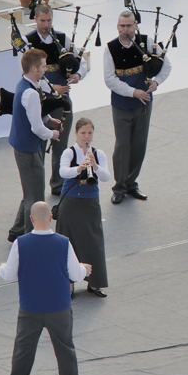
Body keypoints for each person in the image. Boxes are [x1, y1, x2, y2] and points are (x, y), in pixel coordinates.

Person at [0, 201, 90, 375]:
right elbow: (75, 275)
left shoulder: (20, 243)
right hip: (58, 307)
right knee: (65, 353)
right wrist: (84, 269)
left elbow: (8, 275)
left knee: (23, 353)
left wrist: (1, 267)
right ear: (51, 217)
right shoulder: (63, 243)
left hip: (30, 308)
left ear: (31, 219)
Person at [103, 10, 171, 204]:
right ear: (118, 27)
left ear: (135, 26)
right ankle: (119, 186)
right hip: (123, 104)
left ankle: (132, 183)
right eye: (122, 26)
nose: (126, 29)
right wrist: (133, 92)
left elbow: (166, 65)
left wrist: (156, 82)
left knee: (139, 144)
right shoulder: (111, 48)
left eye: (129, 26)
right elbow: (110, 79)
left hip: (143, 104)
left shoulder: (147, 42)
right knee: (123, 145)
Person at [26, 4, 88, 196]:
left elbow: (81, 60)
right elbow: (27, 73)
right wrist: (52, 89)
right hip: (40, 101)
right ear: (35, 19)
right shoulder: (28, 41)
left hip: (62, 100)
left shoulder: (61, 38)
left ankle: (58, 184)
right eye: (42, 21)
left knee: (60, 142)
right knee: (39, 144)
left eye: (49, 20)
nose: (46, 24)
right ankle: (36, 187)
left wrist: (78, 74)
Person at [8, 49, 63, 242]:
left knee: (28, 191)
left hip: (22, 144)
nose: (45, 69)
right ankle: (29, 238)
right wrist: (53, 133)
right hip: (29, 148)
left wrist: (49, 119)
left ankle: (16, 231)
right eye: (42, 66)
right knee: (35, 197)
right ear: (33, 68)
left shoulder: (26, 85)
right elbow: (37, 128)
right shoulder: (31, 93)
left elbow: (36, 114)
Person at [56, 117, 111, 297]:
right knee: (68, 241)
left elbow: (106, 177)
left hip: (89, 202)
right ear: (76, 133)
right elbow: (63, 172)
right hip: (71, 203)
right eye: (83, 133)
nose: (86, 137)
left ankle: (95, 282)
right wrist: (79, 169)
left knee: (93, 242)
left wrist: (94, 166)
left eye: (89, 133)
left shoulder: (98, 153)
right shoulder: (69, 152)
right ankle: (68, 283)